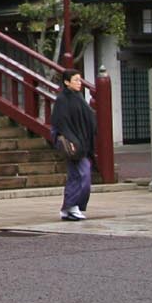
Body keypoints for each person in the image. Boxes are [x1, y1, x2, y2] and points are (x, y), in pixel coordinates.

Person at [48, 69, 96, 221]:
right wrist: (70, 140)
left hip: (82, 142)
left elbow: (88, 119)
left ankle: (68, 208)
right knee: (83, 174)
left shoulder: (79, 97)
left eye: (80, 80)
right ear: (67, 82)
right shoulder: (62, 100)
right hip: (72, 143)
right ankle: (73, 206)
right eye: (75, 80)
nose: (79, 83)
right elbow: (60, 123)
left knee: (76, 175)